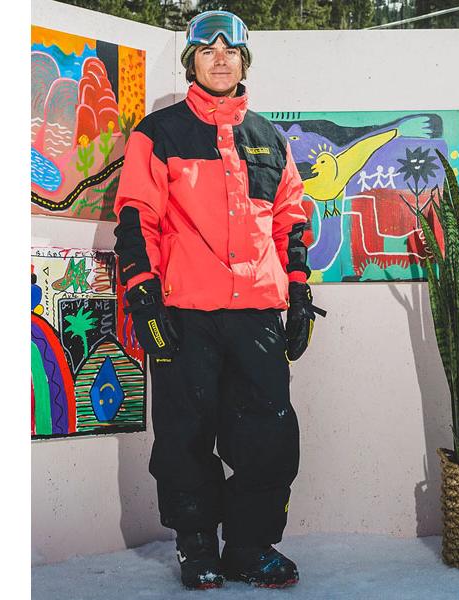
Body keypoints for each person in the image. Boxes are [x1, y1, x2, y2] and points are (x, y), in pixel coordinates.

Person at [113, 10, 325, 590]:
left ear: (244, 60)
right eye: (207, 50)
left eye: (230, 50)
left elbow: (291, 221)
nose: (220, 58)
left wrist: (298, 292)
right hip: (186, 314)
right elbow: (135, 218)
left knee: (268, 435)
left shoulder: (269, 139)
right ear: (192, 62)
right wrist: (143, 298)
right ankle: (197, 547)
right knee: (185, 435)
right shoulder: (159, 133)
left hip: (256, 313)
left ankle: (250, 547)